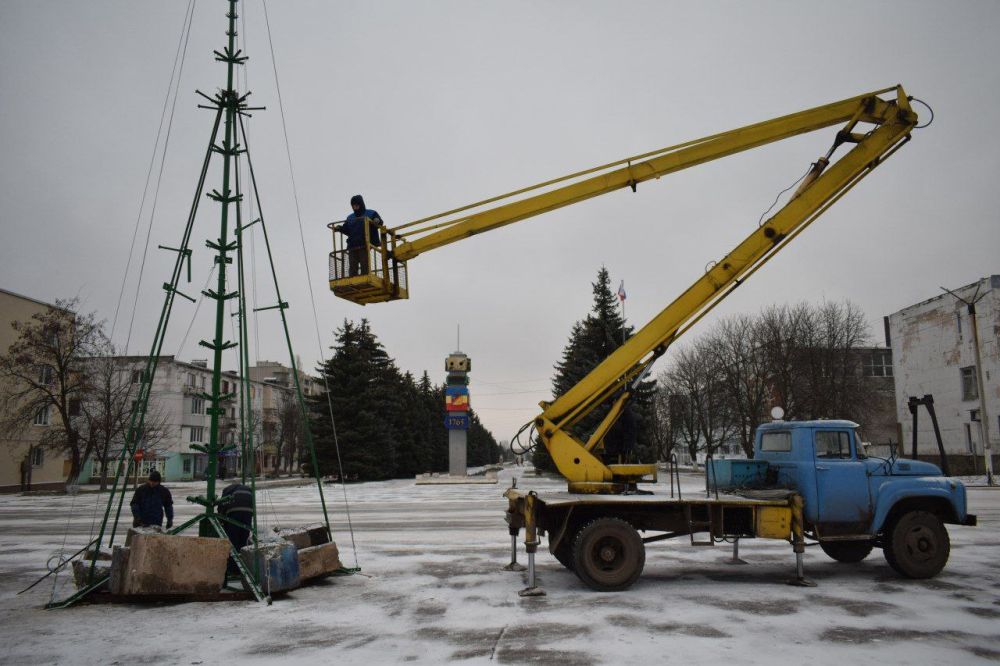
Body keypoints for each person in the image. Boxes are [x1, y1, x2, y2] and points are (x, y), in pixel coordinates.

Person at [335, 194, 383, 276]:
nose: (355, 207)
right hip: (352, 245)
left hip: (365, 244)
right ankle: (353, 279)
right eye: (353, 206)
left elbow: (380, 222)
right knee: (353, 264)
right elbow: (346, 229)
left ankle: (365, 276)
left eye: (357, 205)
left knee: (364, 263)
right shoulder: (350, 217)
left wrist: (377, 220)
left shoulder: (371, 213)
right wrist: (340, 228)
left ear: (361, 204)